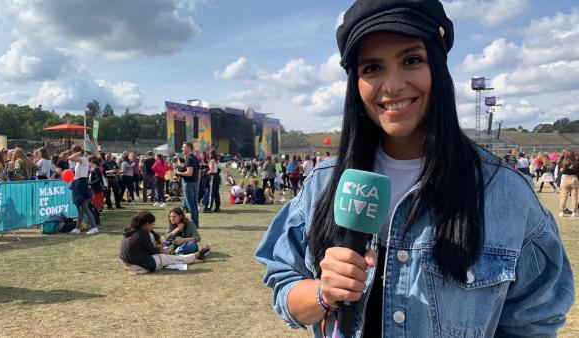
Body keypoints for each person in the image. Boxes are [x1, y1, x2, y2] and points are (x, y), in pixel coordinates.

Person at [255, 1, 574, 337]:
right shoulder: (323, 182)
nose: (392, 86)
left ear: (437, 66)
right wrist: (324, 292)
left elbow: (533, 322)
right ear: (355, 84)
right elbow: (285, 284)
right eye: (372, 68)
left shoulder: (504, 192)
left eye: (411, 60)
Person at [120, 211, 210, 274]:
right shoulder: (143, 234)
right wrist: (161, 248)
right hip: (136, 264)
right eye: (152, 224)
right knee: (169, 258)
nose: (153, 227)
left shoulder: (132, 229)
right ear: (147, 224)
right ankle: (196, 255)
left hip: (129, 263)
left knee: (167, 256)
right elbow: (153, 251)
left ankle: (182, 255)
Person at [68, 146, 98, 235]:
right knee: (79, 209)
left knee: (85, 208)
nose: (72, 153)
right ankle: (77, 228)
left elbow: (70, 158)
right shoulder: (79, 161)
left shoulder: (83, 159)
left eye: (73, 152)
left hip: (81, 183)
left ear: (77, 152)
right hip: (77, 183)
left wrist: (79, 153)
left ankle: (94, 227)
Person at [177, 142, 200, 228]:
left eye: (184, 147)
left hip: (189, 183)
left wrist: (179, 172)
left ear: (189, 148)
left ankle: (194, 223)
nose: (182, 149)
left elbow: (189, 173)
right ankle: (194, 222)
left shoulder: (190, 158)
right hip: (193, 183)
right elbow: (197, 172)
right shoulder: (194, 158)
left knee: (191, 204)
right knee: (191, 204)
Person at [558, 149, 578, 218]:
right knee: (574, 197)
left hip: (565, 179)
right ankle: (574, 212)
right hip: (574, 179)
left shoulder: (562, 162)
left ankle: (561, 212)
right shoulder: (576, 163)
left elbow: (559, 164)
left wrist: (562, 155)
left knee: (563, 197)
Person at [88, 155, 105, 227]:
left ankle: (97, 222)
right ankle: (95, 221)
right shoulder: (92, 169)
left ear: (92, 161)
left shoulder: (97, 169)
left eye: (89, 161)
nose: (88, 162)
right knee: (91, 206)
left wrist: (90, 183)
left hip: (96, 190)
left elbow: (99, 179)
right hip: (93, 190)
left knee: (94, 206)